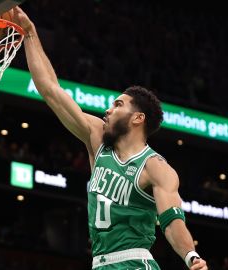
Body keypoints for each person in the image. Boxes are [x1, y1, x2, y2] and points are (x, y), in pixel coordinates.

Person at [14, 7, 208, 270]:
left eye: (118, 104)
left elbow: (172, 221)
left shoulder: (155, 167)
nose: (108, 109)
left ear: (138, 118)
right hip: (100, 263)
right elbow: (50, 89)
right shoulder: (97, 139)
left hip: (134, 262)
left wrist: (191, 257)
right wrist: (29, 33)